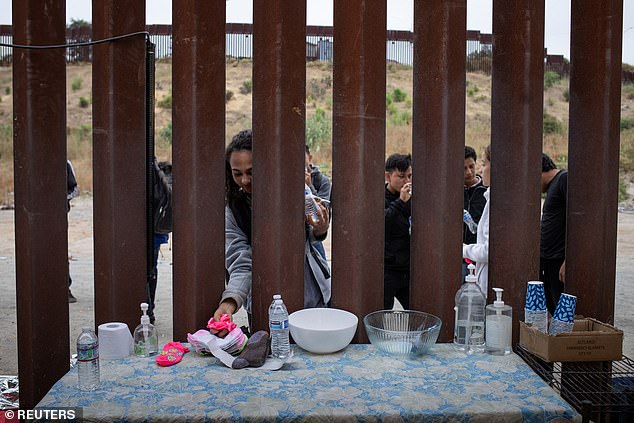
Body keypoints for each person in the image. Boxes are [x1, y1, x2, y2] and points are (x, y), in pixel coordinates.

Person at [211, 130, 331, 335]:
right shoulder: (234, 210)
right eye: (237, 173)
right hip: (263, 302)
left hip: (310, 293)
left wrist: (320, 229)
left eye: (251, 171)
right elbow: (241, 262)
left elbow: (312, 233)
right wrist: (230, 302)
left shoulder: (294, 191)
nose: (245, 180)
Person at [539, 153, 568, 315]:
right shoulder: (552, 186)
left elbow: (576, 221)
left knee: (560, 310)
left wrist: (568, 260)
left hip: (558, 261)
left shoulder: (564, 179)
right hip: (549, 261)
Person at [384, 153, 412, 310]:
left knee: (415, 311)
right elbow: (383, 222)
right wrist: (401, 201)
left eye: (409, 176)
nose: (406, 181)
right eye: (401, 176)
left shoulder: (413, 196)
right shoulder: (380, 196)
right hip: (388, 269)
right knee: (383, 313)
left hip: (407, 267)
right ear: (388, 176)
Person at [463, 145, 490, 296]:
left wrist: (466, 249)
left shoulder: (484, 192)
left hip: (475, 254)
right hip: (463, 255)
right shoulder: (451, 191)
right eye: (464, 168)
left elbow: (487, 249)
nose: (469, 172)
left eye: (472, 166)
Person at [148, 159, 172, 324]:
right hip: (157, 232)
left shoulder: (155, 172)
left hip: (151, 232)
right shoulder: (165, 175)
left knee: (148, 272)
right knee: (151, 270)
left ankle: (148, 310)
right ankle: (150, 310)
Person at [305, 145, 332, 260]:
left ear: (309, 158)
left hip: (315, 235)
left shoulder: (322, 181)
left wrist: (309, 186)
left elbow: (323, 210)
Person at [67, 160, 79, 303]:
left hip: (60, 214)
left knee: (62, 250)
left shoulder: (65, 163)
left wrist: (60, 200)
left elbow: (74, 189)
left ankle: (66, 286)